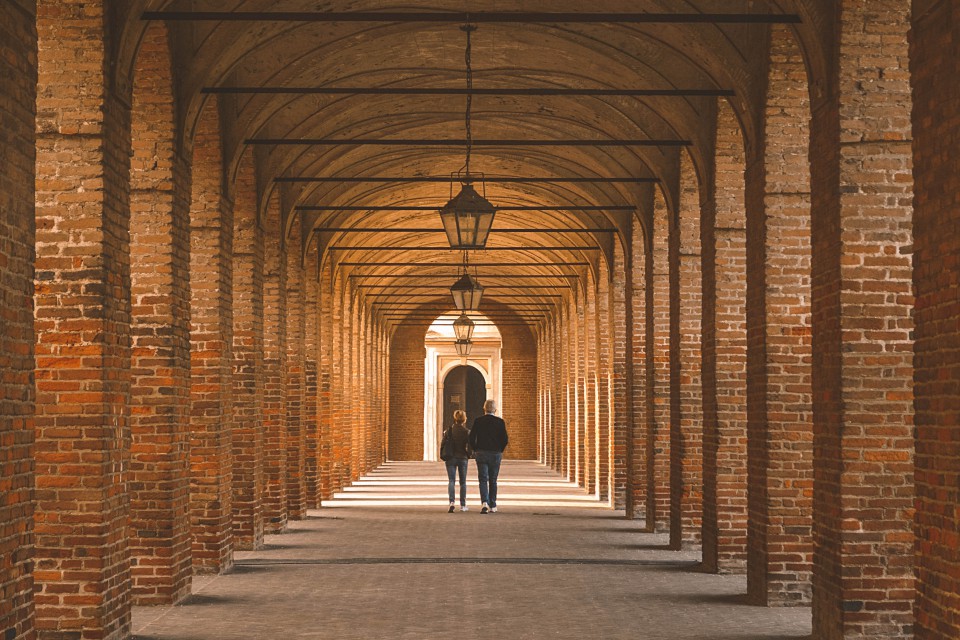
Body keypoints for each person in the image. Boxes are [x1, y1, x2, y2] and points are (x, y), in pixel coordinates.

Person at [468, 399, 508, 514]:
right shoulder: (500, 422)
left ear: (484, 408)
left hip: (481, 453)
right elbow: (505, 439)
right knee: (493, 480)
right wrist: (500, 449)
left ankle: (484, 502)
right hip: (495, 453)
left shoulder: (478, 421)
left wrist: (475, 449)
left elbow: (471, 437)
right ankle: (493, 504)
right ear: (495, 409)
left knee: (482, 479)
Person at [443, 410, 471, 513]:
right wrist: (469, 455)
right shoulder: (466, 431)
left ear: (455, 418)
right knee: (463, 482)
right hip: (462, 458)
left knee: (451, 480)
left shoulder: (449, 430)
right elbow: (470, 446)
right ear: (464, 419)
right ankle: (463, 505)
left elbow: (443, 444)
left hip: (451, 458)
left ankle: (451, 502)